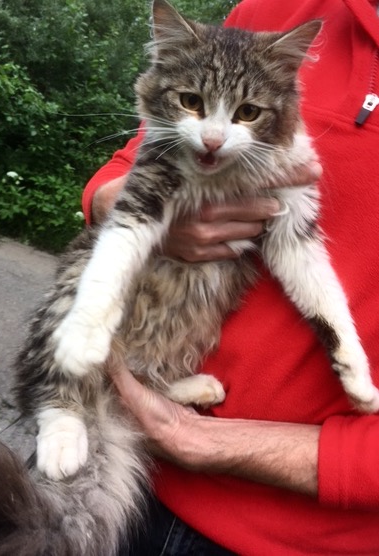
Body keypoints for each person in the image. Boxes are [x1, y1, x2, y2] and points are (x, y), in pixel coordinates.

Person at [82, 0, 379, 554]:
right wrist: (124, 209)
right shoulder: (280, 11)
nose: (216, 135)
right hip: (134, 450)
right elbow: (135, 158)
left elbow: (298, 243)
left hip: (293, 534)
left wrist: (200, 440)